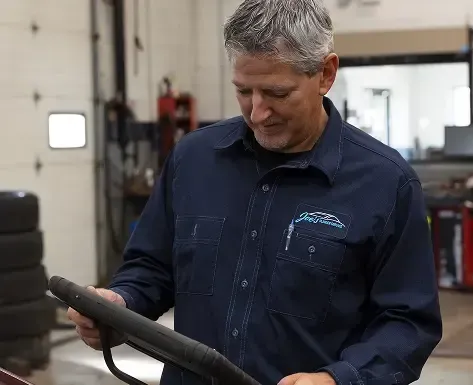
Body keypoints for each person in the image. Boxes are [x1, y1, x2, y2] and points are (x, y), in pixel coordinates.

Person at [68, 0, 442, 384]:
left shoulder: (386, 184)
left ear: (326, 74)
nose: (258, 112)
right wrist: (121, 305)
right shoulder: (193, 160)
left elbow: (407, 323)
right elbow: (152, 268)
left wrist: (339, 379)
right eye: (244, 91)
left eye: (277, 93)